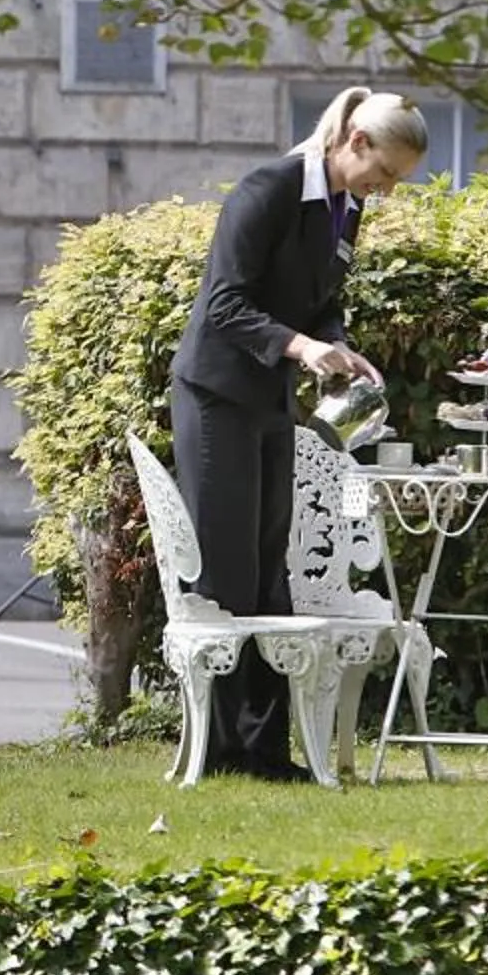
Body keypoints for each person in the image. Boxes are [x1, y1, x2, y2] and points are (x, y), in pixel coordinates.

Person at [166, 85, 428, 779]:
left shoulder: (347, 208)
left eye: (396, 182)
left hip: (270, 399)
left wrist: (340, 345)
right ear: (357, 142)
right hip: (217, 395)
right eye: (386, 173)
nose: (386, 189)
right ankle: (218, 751)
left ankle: (264, 751)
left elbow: (324, 303)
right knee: (226, 573)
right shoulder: (271, 187)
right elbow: (225, 304)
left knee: (270, 570)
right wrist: (301, 349)